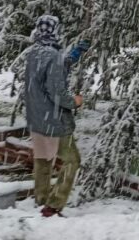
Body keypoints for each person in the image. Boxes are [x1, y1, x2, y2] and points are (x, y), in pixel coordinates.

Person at [24, 14, 89, 217]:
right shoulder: (52, 55)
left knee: (43, 160)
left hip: (36, 119)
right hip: (54, 121)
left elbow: (51, 72)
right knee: (72, 160)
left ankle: (41, 199)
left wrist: (74, 55)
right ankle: (54, 204)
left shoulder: (33, 53)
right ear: (55, 31)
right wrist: (75, 102)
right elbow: (57, 91)